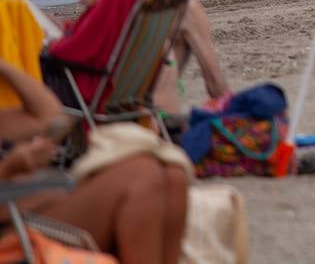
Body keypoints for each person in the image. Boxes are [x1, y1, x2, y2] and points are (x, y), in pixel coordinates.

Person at [0, 58, 189, 264]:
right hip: (13, 228)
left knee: (173, 175)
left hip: (37, 204)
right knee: (142, 178)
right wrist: (10, 168)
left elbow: (48, 114)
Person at [150, 0, 229, 118]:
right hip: (158, 121)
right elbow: (215, 87)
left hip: (96, 112)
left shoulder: (115, 7)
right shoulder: (182, 9)